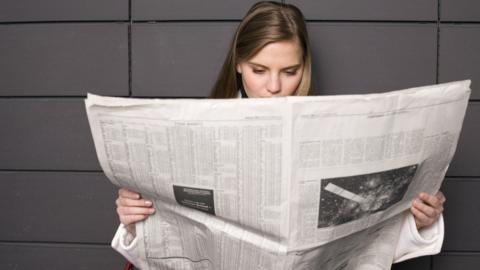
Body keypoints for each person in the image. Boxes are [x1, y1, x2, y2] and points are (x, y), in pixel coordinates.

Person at [112, 1, 446, 269]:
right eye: (259, 70)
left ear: (305, 67)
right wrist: (133, 221)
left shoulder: (334, 131)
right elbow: (162, 246)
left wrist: (417, 220)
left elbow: (364, 240)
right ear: (238, 64)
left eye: (289, 72)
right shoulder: (191, 134)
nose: (274, 87)